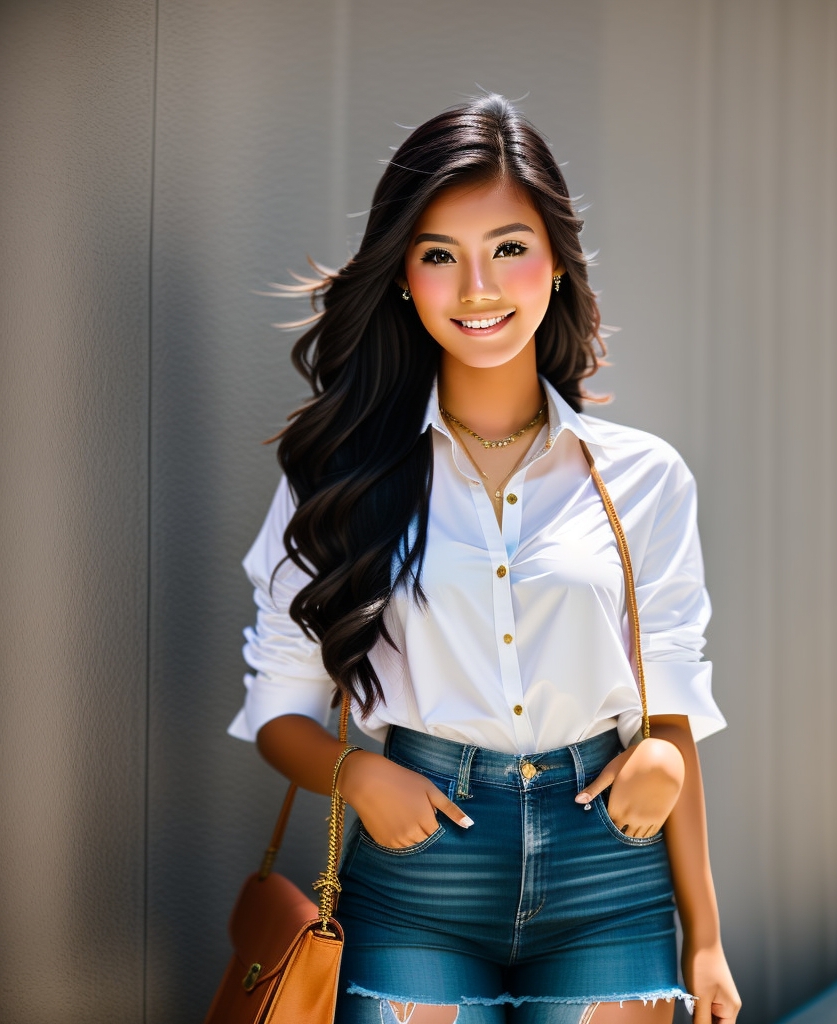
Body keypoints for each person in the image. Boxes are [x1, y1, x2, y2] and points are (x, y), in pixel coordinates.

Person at [229, 95, 741, 1024]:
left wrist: (705, 936)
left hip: (607, 870)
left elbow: (670, 709)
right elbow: (279, 710)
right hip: (417, 867)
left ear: (555, 264)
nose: (478, 288)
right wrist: (359, 776)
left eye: (508, 248)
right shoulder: (341, 479)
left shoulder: (645, 478)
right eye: (438, 257)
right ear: (400, 278)